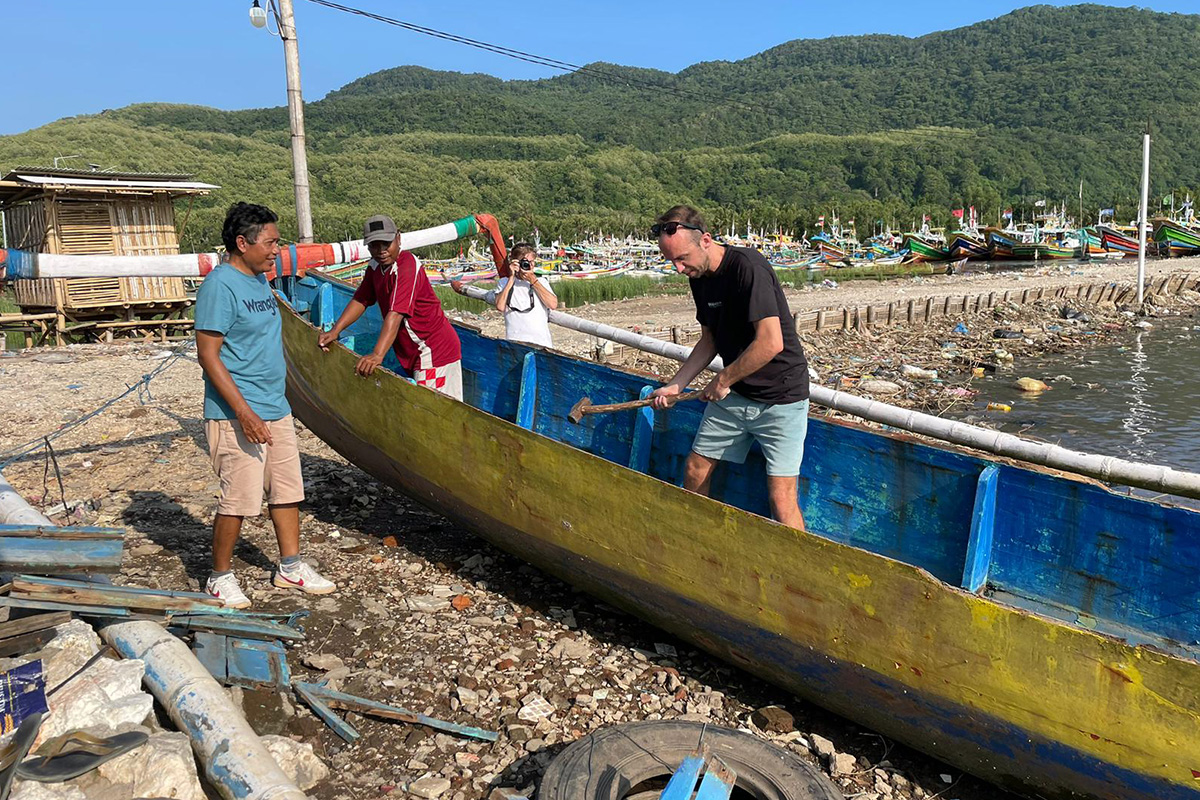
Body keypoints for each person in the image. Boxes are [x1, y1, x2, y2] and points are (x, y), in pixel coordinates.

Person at [194, 202, 336, 608]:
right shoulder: (220, 286)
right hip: (237, 412)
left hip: (275, 406)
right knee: (238, 499)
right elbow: (209, 356)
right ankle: (219, 577)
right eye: (271, 242)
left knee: (287, 491)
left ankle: (290, 567)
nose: (277, 249)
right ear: (243, 243)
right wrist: (244, 413)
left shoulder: (259, 282)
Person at [649, 205, 810, 530]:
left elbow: (771, 342)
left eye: (682, 258)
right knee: (695, 469)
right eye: (672, 262)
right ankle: (700, 540)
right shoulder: (699, 277)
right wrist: (677, 384)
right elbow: (709, 340)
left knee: (781, 498)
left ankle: (798, 573)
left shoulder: (748, 267)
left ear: (705, 239)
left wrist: (723, 380)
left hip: (782, 397)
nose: (679, 269)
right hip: (736, 394)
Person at [318, 215, 463, 400]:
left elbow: (395, 314)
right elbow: (361, 299)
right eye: (374, 246)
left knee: (433, 411)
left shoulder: (407, 265)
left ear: (398, 238)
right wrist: (335, 330)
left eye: (386, 244)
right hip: (411, 350)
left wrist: (377, 355)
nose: (381, 251)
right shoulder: (375, 266)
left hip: (433, 350)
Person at [451, 243, 557, 348]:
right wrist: (511, 278)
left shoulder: (542, 282)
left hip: (543, 344)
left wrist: (533, 280)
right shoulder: (504, 282)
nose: (529, 265)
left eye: (531, 262)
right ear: (515, 263)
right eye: (525, 262)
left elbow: (553, 304)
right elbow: (500, 306)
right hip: (515, 344)